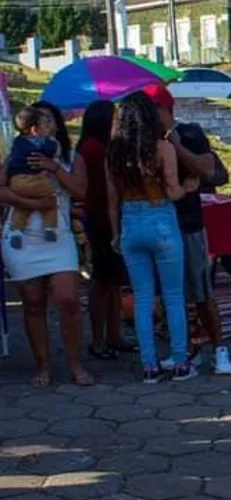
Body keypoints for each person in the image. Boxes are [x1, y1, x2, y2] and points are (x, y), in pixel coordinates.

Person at [143, 84, 231, 375]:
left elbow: (210, 172)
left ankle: (219, 350)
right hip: (159, 224)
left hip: (189, 224)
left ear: (164, 109)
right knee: (172, 295)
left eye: (152, 110)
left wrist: (176, 147)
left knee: (202, 291)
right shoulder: (142, 141)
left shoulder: (190, 133)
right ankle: (185, 350)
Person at [0, 101, 93, 387]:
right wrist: (30, 202)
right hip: (22, 236)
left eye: (50, 120)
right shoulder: (17, 154)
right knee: (32, 302)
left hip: (58, 235)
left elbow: (81, 191)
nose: (47, 125)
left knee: (68, 299)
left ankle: (76, 365)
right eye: (41, 121)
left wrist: (54, 168)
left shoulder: (70, 155)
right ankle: (43, 365)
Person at [105, 92, 194, 384]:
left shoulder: (114, 154)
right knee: (173, 296)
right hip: (161, 219)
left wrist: (116, 233)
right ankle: (180, 362)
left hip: (130, 222)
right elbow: (173, 191)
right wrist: (188, 187)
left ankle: (149, 366)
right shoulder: (162, 148)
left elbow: (112, 200)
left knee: (142, 297)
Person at [77, 100, 135, 360]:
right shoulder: (92, 148)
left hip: (111, 217)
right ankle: (98, 339)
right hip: (100, 219)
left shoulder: (104, 147)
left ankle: (114, 334)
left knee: (114, 281)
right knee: (102, 281)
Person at [5, 107, 60, 249]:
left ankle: (16, 231)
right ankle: (49, 227)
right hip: (33, 179)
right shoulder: (40, 144)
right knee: (51, 199)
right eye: (45, 125)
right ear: (35, 130)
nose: (49, 128)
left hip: (16, 181)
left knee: (22, 207)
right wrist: (52, 142)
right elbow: (52, 149)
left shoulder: (18, 142)